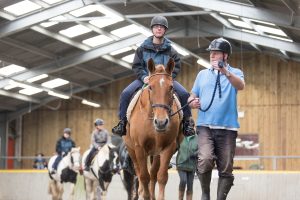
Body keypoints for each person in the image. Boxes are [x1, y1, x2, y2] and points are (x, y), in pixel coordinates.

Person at [112, 15, 195, 137]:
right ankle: (122, 123)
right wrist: (144, 77)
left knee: (183, 94)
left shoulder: (171, 51)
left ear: (165, 30)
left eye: (161, 27)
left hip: (164, 80)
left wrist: (167, 77)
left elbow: (176, 66)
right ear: (152, 29)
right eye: (156, 27)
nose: (159, 29)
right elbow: (136, 66)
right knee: (125, 93)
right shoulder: (141, 49)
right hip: (145, 79)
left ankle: (187, 123)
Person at [188, 37, 245, 200]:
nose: (212, 56)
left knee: (226, 168)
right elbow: (192, 95)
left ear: (225, 56)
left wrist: (225, 72)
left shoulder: (236, 72)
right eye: (211, 53)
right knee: (205, 159)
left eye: (216, 54)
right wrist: (192, 102)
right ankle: (205, 193)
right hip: (205, 126)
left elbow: (240, 86)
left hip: (228, 128)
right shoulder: (202, 74)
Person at [176, 134, 198, 200]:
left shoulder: (197, 138)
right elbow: (173, 148)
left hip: (192, 165)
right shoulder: (180, 137)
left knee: (190, 186)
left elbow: (202, 149)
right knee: (183, 180)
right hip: (181, 164)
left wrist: (195, 153)